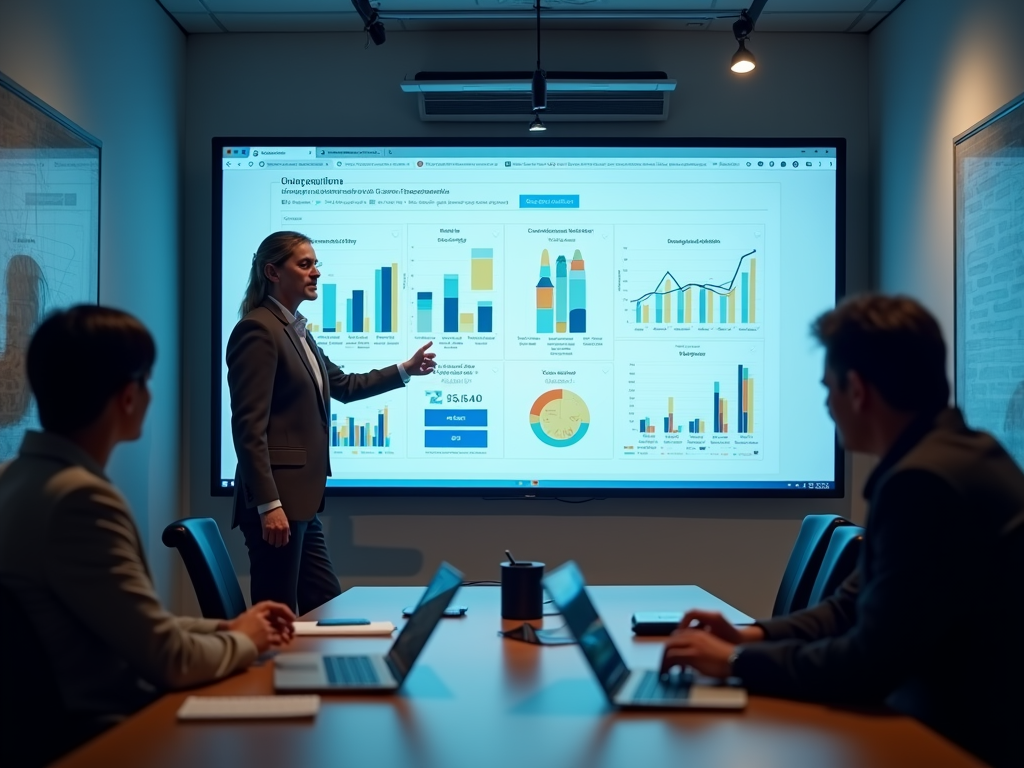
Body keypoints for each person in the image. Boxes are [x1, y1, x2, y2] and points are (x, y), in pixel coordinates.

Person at [660, 294, 1024, 768]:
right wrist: (749, 637)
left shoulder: (923, 484)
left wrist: (732, 663)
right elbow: (851, 605)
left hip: (960, 745)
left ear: (857, 390)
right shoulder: (958, 455)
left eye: (827, 387)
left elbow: (866, 665)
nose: (827, 406)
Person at [0, 306, 295, 748]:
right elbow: (167, 659)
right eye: (146, 380)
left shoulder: (13, 477)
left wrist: (226, 630)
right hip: (112, 736)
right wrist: (248, 642)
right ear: (128, 397)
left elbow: (133, 625)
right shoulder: (80, 501)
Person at [228, 231, 436, 615]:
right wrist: (269, 504)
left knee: (324, 606)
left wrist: (403, 371)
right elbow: (247, 427)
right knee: (278, 615)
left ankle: (327, 673)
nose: (316, 273)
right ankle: (273, 675)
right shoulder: (259, 330)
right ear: (273, 272)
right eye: (304, 264)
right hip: (278, 505)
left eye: (316, 264)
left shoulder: (296, 331)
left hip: (302, 503)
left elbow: (343, 385)